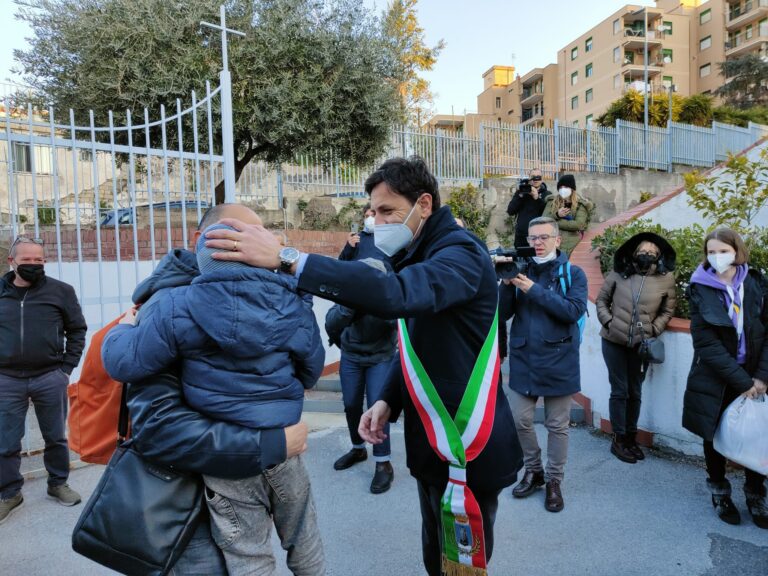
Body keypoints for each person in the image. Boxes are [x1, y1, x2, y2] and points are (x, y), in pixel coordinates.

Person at [203, 156, 523, 576]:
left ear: (423, 204)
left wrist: (289, 259)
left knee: (463, 563)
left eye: (387, 210)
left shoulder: (459, 253)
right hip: (434, 446)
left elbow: (394, 294)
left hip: (470, 444)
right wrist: (388, 399)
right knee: (437, 556)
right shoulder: (419, 251)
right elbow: (418, 345)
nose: (376, 220)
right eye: (372, 211)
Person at [103, 205, 326, 574]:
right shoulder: (291, 302)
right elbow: (311, 369)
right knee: (304, 536)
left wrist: (122, 330)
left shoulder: (175, 304)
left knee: (248, 552)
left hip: (227, 462)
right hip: (284, 445)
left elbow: (124, 362)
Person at [499, 216, 587, 513]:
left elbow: (572, 311)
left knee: (557, 425)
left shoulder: (572, 273)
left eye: (543, 237)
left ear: (557, 240)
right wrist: (505, 283)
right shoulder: (519, 270)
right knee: (519, 418)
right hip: (525, 357)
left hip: (559, 358)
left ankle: (554, 481)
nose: (537, 243)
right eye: (533, 238)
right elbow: (502, 314)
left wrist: (531, 289)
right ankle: (534, 470)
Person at [682, 228, 768, 529]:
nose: (717, 257)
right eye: (712, 252)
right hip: (715, 378)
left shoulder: (756, 283)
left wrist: (761, 377)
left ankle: (756, 493)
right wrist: (742, 382)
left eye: (723, 251)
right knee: (713, 436)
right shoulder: (699, 288)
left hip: (755, 375)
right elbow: (706, 344)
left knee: (757, 436)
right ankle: (720, 492)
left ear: (737, 250)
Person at [0, 236, 87, 524]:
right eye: (27, 260)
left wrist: (66, 369)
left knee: (56, 437)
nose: (34, 265)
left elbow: (77, 330)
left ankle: (58, 483)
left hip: (50, 376)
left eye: (39, 260)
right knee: (6, 441)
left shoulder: (61, 291)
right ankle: (10, 493)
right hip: (7, 379)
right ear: (12, 261)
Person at [326, 204, 398, 494]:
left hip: (381, 354)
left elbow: (399, 315)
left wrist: (378, 304)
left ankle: (383, 463)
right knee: (351, 403)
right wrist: (351, 306)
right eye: (368, 212)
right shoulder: (357, 244)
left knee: (378, 408)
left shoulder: (392, 246)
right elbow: (332, 321)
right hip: (352, 354)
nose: (371, 217)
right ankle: (358, 448)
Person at [596, 233, 676, 464]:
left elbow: (667, 310)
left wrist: (653, 329)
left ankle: (631, 437)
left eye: (652, 252)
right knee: (619, 390)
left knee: (635, 391)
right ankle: (619, 439)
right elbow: (601, 300)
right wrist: (609, 322)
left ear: (659, 256)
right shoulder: (618, 274)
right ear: (633, 252)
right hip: (613, 340)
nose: (647, 255)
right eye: (643, 250)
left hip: (642, 344)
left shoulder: (666, 278)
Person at [542, 174, 591, 255]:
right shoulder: (551, 201)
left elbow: (578, 225)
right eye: (560, 188)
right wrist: (557, 215)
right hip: (552, 243)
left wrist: (555, 222)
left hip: (571, 245)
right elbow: (543, 220)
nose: (563, 189)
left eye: (566, 187)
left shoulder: (580, 204)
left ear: (572, 189)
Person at [506, 168, 550, 248]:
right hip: (521, 237)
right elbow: (510, 211)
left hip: (539, 238)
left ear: (542, 179)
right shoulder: (522, 193)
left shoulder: (547, 194)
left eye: (538, 177)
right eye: (533, 176)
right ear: (529, 178)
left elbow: (548, 213)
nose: (535, 179)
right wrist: (519, 195)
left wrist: (537, 198)